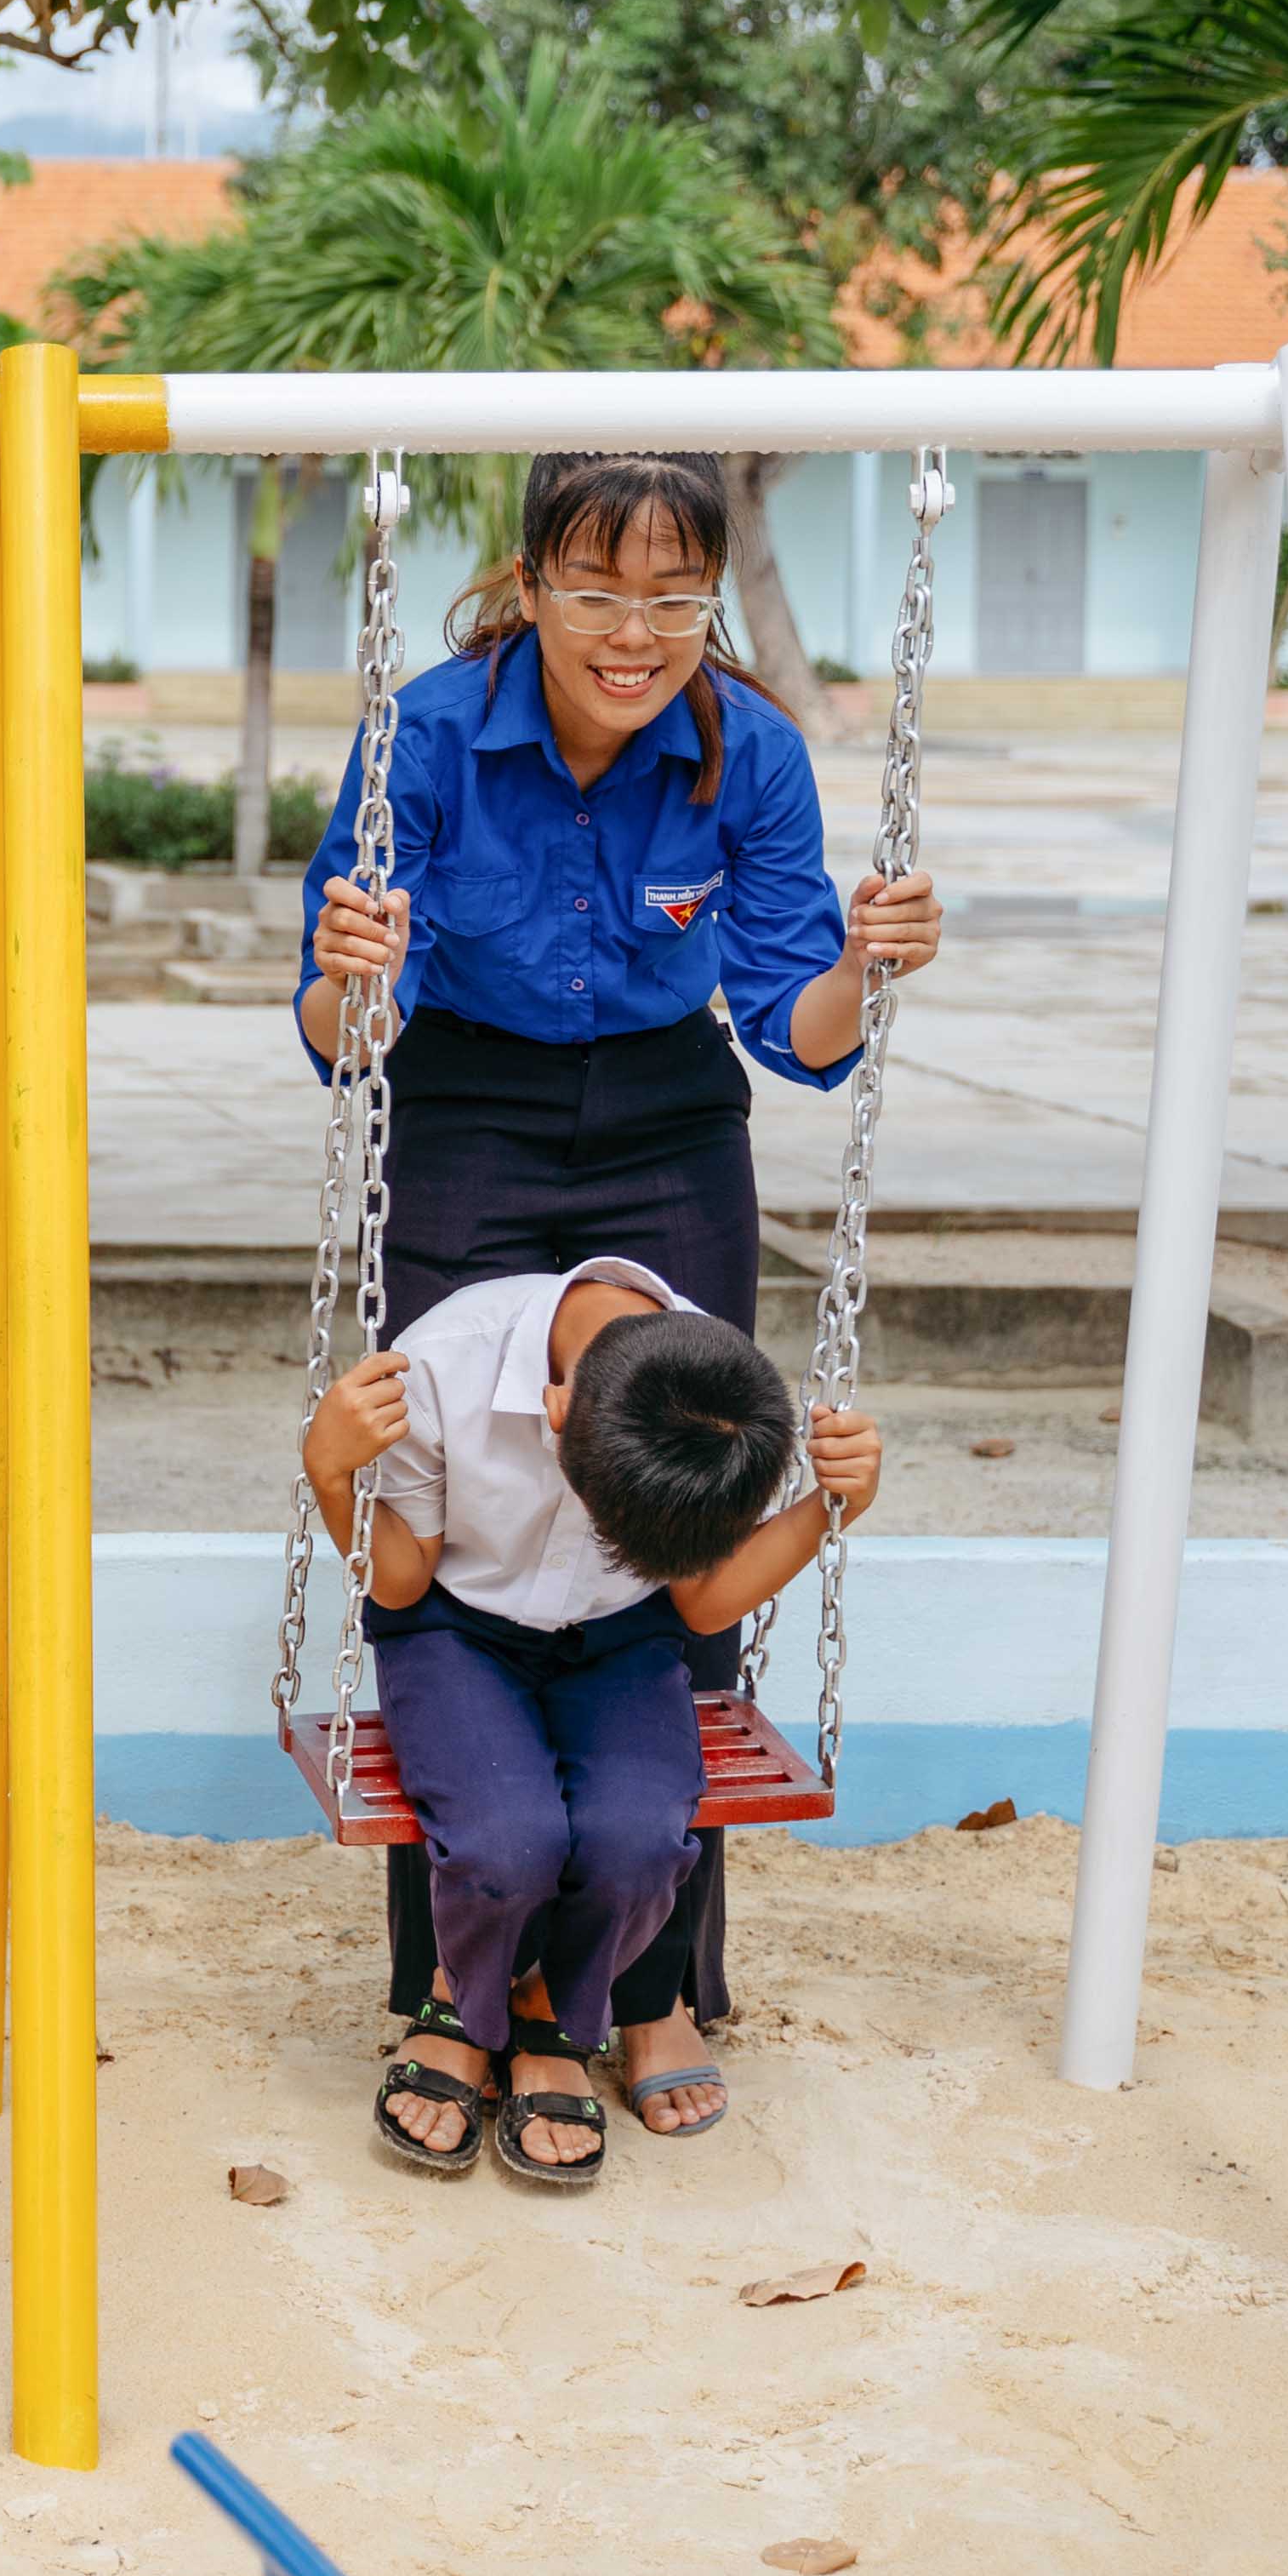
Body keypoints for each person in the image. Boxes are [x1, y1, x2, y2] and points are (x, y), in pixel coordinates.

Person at [294, 450, 942, 2139]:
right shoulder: (429, 734)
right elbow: (340, 1032)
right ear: (527, 586)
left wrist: (862, 968)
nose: (635, 632)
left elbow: (793, 1032)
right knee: (448, 1463)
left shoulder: (750, 750)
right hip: (465, 1111)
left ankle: (649, 1984)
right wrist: (349, 986)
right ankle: (466, 1986)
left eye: (673, 597)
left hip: (664, 1121)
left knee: (677, 1482)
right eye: (598, 591)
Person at [305, 1259, 881, 2186]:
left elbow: (697, 1605)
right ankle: (461, 2005)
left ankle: (541, 2011)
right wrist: (330, 1472)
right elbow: (403, 1580)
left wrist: (829, 1507)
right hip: (455, 1627)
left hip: (620, 1637)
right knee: (503, 1847)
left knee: (637, 1843)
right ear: (558, 1413)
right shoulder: (443, 1366)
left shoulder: (716, 1398)